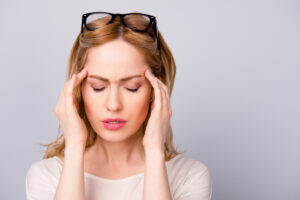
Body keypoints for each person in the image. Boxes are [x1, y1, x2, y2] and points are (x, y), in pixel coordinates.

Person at [25, 11, 212, 200]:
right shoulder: (48, 176)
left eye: (132, 88)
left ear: (155, 89)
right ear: (78, 88)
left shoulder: (189, 176)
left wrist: (154, 150)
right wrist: (74, 146)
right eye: (98, 87)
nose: (113, 105)